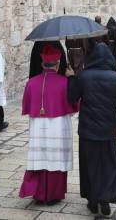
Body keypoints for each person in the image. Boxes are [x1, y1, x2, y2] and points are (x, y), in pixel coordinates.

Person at [68, 43, 116, 216]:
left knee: (90, 165)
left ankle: (92, 200)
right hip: (108, 130)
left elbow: (71, 98)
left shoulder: (83, 76)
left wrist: (72, 77)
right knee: (109, 166)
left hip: (88, 130)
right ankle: (105, 200)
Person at [20, 45, 79, 205]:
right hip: (59, 126)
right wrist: (72, 77)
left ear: (42, 64)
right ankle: (53, 194)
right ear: (58, 64)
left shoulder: (31, 83)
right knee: (55, 157)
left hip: (38, 126)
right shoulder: (65, 82)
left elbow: (25, 104)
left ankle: (39, 193)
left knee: (40, 156)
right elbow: (75, 104)